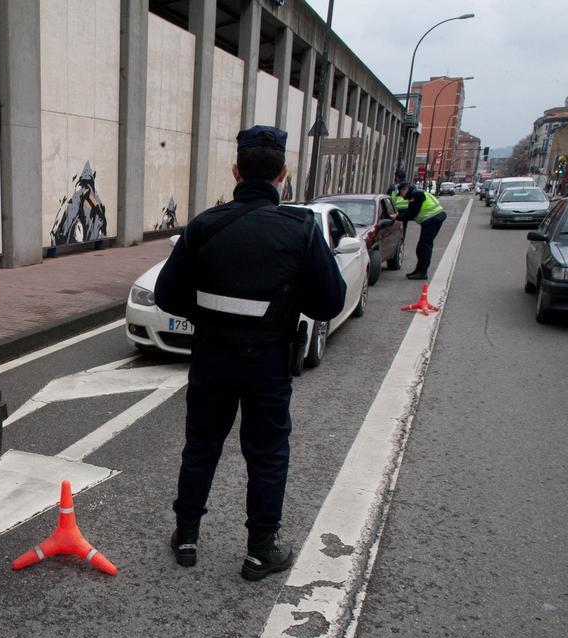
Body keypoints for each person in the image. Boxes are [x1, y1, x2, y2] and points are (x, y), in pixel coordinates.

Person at [154, 125, 346, 582]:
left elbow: (167, 295)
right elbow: (330, 302)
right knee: (267, 454)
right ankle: (260, 551)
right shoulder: (301, 228)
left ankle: (186, 537)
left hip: (211, 359)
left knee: (201, 447)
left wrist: (207, 315)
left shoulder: (204, 225)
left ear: (236, 172)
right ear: (283, 173)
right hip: (268, 362)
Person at [393, 181, 446, 280]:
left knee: (424, 247)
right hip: (434, 219)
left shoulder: (416, 195)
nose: (402, 197)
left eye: (401, 193)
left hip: (433, 220)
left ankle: (422, 272)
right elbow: (411, 211)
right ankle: (419, 271)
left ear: (405, 189)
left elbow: (412, 214)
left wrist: (397, 217)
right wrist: (399, 214)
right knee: (422, 247)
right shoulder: (417, 193)